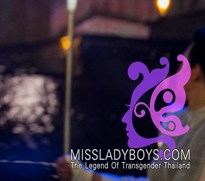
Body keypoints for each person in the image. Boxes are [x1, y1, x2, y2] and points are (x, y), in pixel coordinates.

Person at [56, 28, 205, 181]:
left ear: (195, 72)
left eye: (182, 62)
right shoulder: (177, 121)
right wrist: (85, 176)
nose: (176, 68)